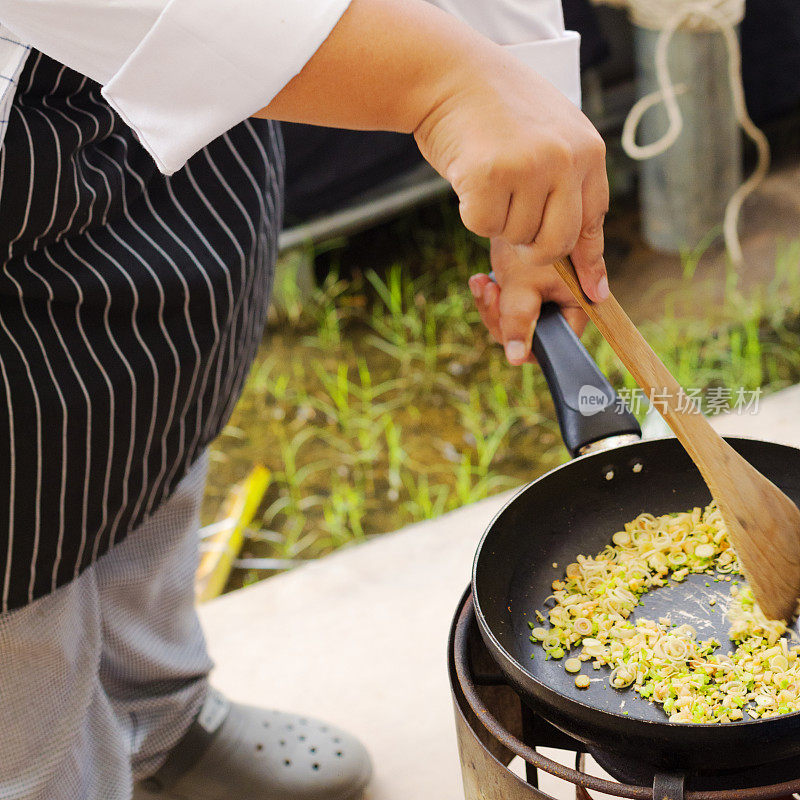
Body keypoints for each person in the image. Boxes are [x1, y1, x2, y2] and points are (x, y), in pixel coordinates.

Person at [0, 0, 605, 797]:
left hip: (203, 120)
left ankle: (160, 717)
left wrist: (524, 101)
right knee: (23, 630)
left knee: (153, 436)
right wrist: (443, 83)